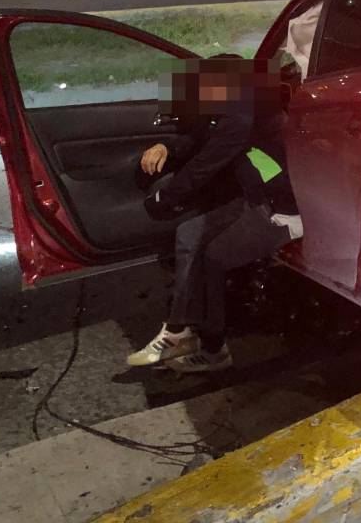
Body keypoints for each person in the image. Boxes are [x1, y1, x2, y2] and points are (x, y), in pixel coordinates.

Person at [126, 57, 300, 373]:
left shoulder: (242, 115)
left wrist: (166, 197)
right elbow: (200, 134)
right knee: (189, 234)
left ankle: (211, 348)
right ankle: (181, 332)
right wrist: (166, 145)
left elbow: (209, 160)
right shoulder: (240, 106)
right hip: (256, 196)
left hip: (283, 208)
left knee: (215, 255)